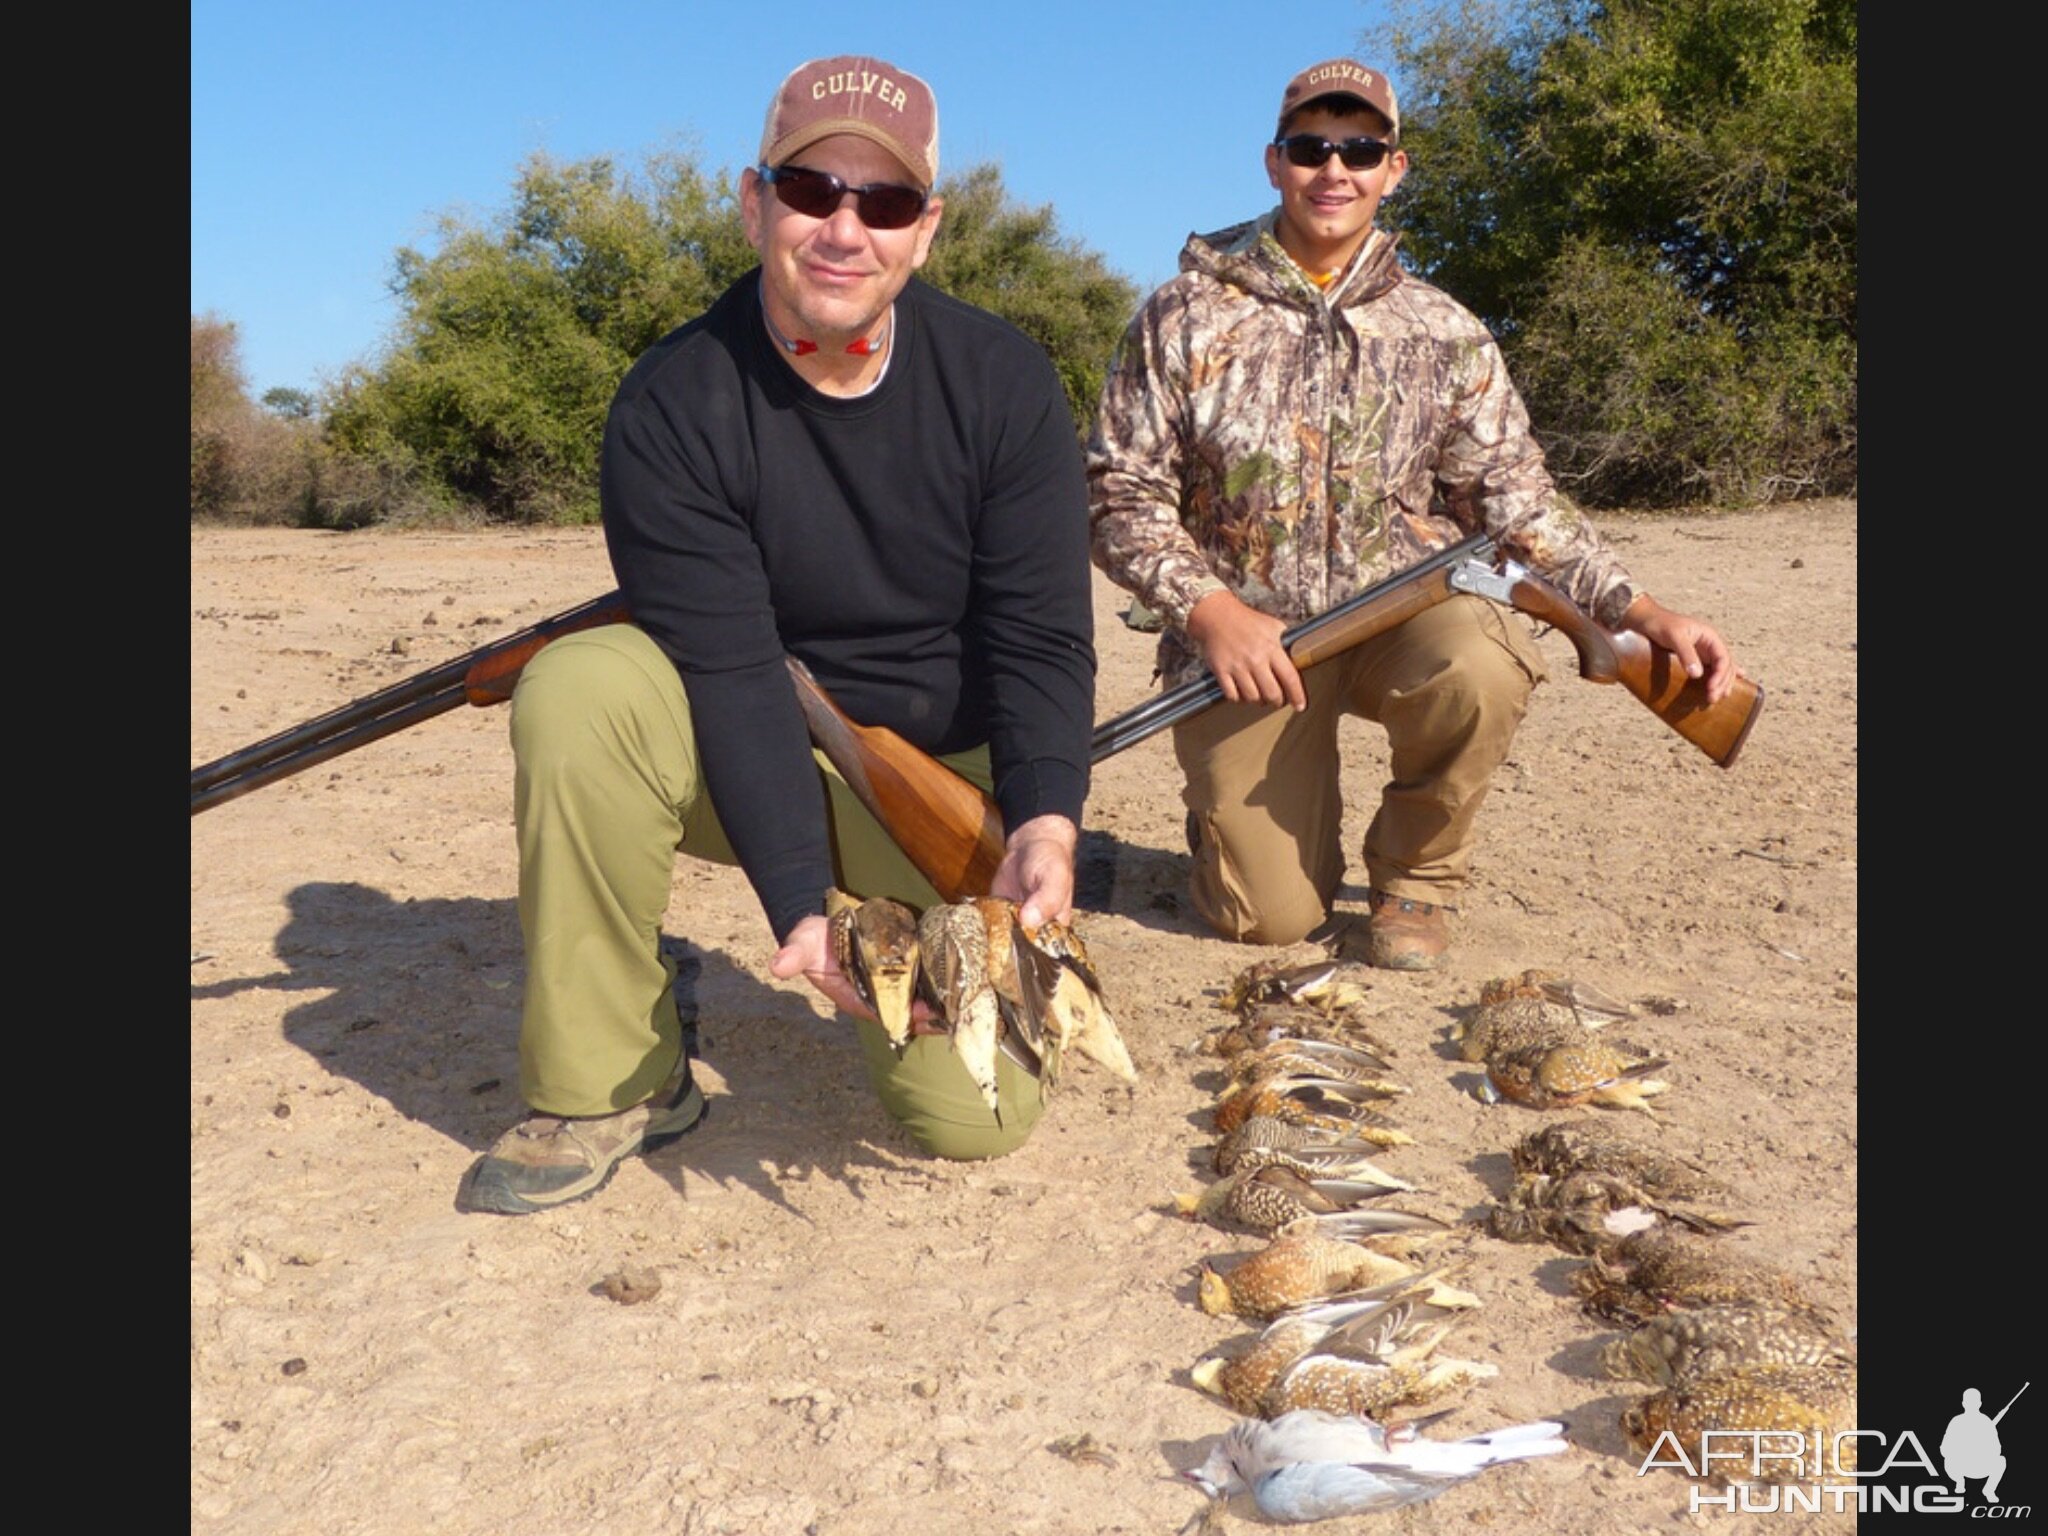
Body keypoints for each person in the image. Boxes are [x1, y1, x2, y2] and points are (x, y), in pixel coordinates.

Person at [459, 55, 1096, 1215]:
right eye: (811, 191)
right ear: (754, 203)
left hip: (930, 774)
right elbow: (733, 671)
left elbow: (1042, 634)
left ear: (925, 230)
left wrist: (1047, 818)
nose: (845, 228)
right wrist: (801, 904)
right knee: (581, 689)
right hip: (742, 738)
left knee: (975, 1123)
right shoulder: (671, 402)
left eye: (886, 202)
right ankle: (611, 1081)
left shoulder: (1002, 382)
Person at [1087, 57, 1737, 970]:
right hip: (1247, 651)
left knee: (1482, 658)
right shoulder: (1182, 315)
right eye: (1312, 147)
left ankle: (1414, 883)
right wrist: (1212, 612)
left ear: (1395, 169)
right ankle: (1233, 832)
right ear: (1274, 163)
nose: (1335, 170)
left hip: (1405, 622)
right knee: (1267, 922)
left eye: (1362, 149)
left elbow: (1516, 503)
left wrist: (1638, 611)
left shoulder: (1446, 328)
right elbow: (1117, 492)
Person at [1941, 1388, 2008, 1502]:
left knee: (2001, 1461)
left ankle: (1989, 1490)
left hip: (1980, 1466)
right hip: (1960, 1465)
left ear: (1963, 1404)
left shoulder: (1986, 1422)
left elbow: (1997, 1450)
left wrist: (1980, 1448)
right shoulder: (1957, 1422)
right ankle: (1960, 1482)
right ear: (1980, 1404)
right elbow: (1945, 1450)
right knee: (1949, 1460)